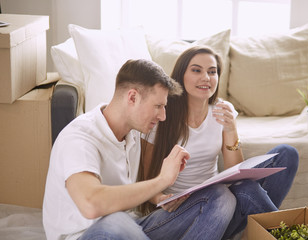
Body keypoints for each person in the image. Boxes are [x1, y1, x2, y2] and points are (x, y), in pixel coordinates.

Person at [42, 59, 237, 240]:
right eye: (158, 106)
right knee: (114, 220)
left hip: (133, 226)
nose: (163, 116)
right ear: (132, 97)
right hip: (89, 234)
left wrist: (158, 197)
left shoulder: (134, 132)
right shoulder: (79, 138)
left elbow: (128, 187)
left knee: (221, 197)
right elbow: (91, 205)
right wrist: (162, 180)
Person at [140, 46, 300, 239]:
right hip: (183, 211)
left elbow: (237, 173)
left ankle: (274, 234)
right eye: (197, 70)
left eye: (212, 71)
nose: (206, 77)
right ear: (181, 75)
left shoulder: (222, 111)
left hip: (222, 204)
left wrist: (231, 129)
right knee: (226, 193)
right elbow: (145, 179)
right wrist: (160, 198)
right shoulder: (162, 116)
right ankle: (289, 235)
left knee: (286, 154)